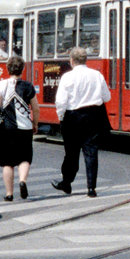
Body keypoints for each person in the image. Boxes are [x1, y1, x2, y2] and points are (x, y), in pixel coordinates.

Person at [52, 47, 111, 198]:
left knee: (71, 152)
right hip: (93, 116)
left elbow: (61, 101)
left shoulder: (67, 77)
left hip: (73, 116)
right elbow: (107, 97)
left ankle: (67, 182)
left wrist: (61, 117)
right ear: (86, 60)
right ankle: (91, 188)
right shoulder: (97, 75)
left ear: (71, 60)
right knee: (91, 152)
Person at [0, 55, 39, 202]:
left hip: (6, 129)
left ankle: (9, 193)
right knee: (24, 158)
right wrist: (35, 124)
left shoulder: (1, 85)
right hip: (24, 128)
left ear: (7, 68)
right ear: (22, 69)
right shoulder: (28, 86)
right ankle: (22, 181)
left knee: (7, 162)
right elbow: (35, 108)